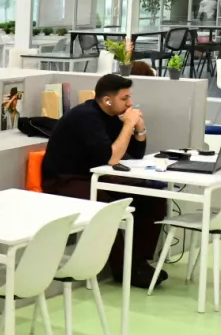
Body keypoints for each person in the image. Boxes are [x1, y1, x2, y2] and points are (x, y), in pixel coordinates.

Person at [41, 73, 167, 287]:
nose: (130, 103)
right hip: (64, 179)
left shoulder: (112, 116)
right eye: (124, 98)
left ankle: (139, 261)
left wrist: (139, 127)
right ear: (108, 100)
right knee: (108, 208)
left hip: (94, 176)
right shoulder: (85, 117)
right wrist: (127, 125)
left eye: (129, 97)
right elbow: (111, 158)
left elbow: (134, 154)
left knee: (151, 197)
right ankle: (124, 269)